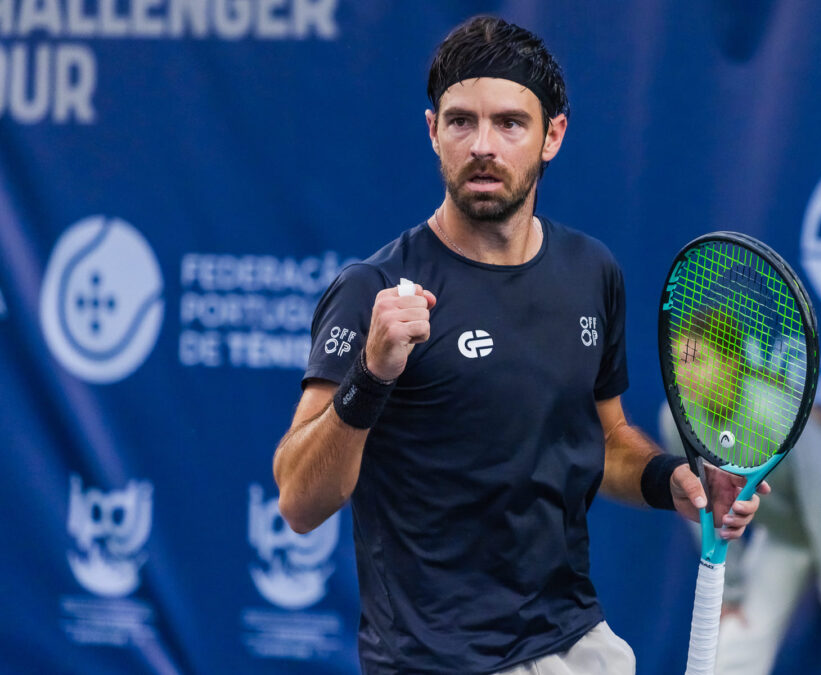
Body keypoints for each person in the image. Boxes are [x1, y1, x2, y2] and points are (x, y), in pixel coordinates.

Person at [272, 16, 767, 675]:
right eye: (460, 122)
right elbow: (299, 502)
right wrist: (371, 373)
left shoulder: (593, 272)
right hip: (439, 661)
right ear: (432, 132)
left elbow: (605, 436)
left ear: (551, 136)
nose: (483, 145)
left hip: (576, 640)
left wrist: (669, 478)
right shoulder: (374, 291)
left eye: (509, 123)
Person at [660, 403, 821, 675]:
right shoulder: (676, 418)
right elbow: (705, 506)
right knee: (737, 635)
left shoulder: (776, 408)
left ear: (732, 361)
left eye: (700, 358)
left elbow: (820, 500)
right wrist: (730, 591)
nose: (686, 372)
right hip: (788, 532)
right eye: (680, 361)